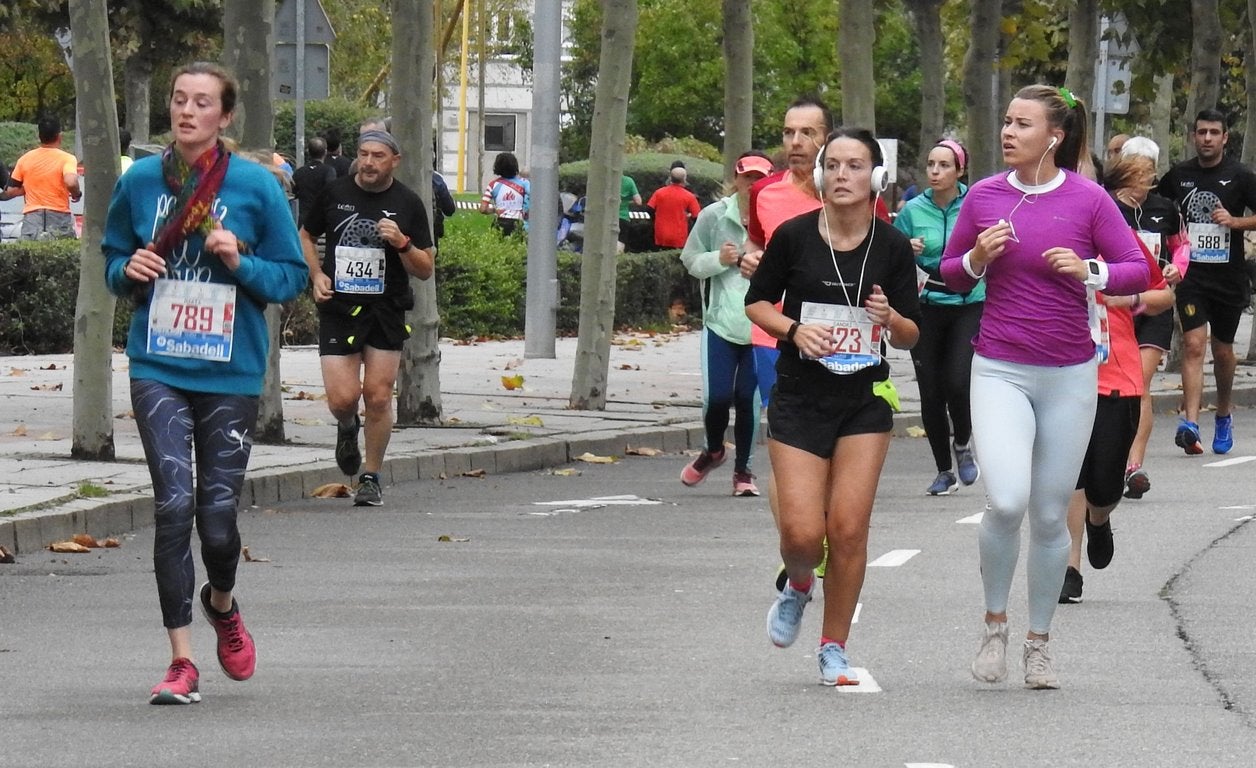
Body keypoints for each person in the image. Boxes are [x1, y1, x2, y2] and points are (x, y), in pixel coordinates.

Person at [101, 62, 308, 705]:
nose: (187, 111)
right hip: (158, 362)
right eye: (179, 99)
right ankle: (181, 661)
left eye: (202, 102)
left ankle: (221, 603)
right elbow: (112, 260)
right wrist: (127, 269)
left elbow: (291, 277)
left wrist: (239, 260)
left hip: (231, 370)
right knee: (171, 506)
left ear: (225, 116)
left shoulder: (253, 184)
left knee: (216, 520)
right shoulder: (140, 181)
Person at [940, 85, 1148, 689]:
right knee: (1007, 501)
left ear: (1053, 137)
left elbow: (1137, 268)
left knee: (1052, 515)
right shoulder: (983, 196)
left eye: (1021, 124)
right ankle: (994, 626)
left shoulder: (1087, 200)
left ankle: (1038, 641)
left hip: (1069, 374)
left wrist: (1092, 272)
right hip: (1000, 367)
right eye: (1005, 120)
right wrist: (977, 256)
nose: (1007, 132)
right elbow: (951, 277)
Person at [746, 128, 921, 686]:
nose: (844, 175)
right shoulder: (795, 237)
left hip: (863, 401)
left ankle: (833, 647)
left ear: (875, 177)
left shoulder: (891, 247)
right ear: (821, 175)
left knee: (848, 529)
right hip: (800, 397)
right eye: (835, 165)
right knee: (802, 536)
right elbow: (756, 304)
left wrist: (889, 318)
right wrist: (795, 330)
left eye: (856, 165)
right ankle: (799, 585)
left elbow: (913, 335)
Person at [1059, 154, 1176, 603]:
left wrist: (1131, 300)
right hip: (1064, 371)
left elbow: (1163, 293)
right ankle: (1070, 566)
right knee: (1072, 473)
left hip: (1117, 373)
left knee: (1104, 482)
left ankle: (1099, 519)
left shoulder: (1117, 237)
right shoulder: (1042, 237)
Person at [300, 129, 434, 507]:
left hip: (386, 308)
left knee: (377, 396)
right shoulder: (335, 192)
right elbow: (306, 235)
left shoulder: (408, 203)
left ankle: (371, 476)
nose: (369, 162)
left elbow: (425, 268)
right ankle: (346, 426)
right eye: (364, 154)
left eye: (378, 155)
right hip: (340, 307)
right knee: (344, 397)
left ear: (394, 160)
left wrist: (402, 242)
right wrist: (316, 275)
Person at [1155, 108, 1256, 456]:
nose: (1208, 138)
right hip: (1192, 275)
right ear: (1194, 136)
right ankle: (1191, 424)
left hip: (1229, 277)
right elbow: (1158, 204)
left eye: (1214, 132)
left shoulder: (1240, 176)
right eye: (1202, 132)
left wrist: (1235, 222)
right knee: (1195, 344)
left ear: (1225, 138)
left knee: (1223, 350)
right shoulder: (1179, 175)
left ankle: (1224, 413)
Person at [678, 151, 773, 497]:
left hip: (763, 325)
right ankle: (714, 449)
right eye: (747, 177)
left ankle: (743, 472)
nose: (753, 184)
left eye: (760, 178)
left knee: (747, 398)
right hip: (721, 322)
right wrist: (719, 259)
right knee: (717, 398)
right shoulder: (714, 217)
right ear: (736, 179)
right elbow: (690, 259)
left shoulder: (778, 216)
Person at [894, 138, 983, 496]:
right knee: (931, 391)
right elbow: (889, 254)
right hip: (926, 304)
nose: (935, 171)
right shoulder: (913, 210)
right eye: (931, 164)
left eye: (944, 165)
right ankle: (943, 471)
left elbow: (991, 244)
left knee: (958, 382)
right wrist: (905, 249)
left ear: (960, 170)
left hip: (969, 301)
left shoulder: (975, 204)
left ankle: (962, 441)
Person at [1108, 137, 1188, 500]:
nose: (1140, 178)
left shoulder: (1164, 209)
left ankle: (1133, 466)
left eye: (1147, 171)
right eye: (1134, 169)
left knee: (1139, 383)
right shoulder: (1106, 207)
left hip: (1153, 304)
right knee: (1117, 387)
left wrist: (1177, 269)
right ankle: (1109, 458)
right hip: (1114, 306)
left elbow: (1181, 245)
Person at [0, 115, 81, 240]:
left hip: (32, 219)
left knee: (30, 256)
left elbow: (10, 191)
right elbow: (70, 182)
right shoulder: (67, 158)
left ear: (39, 136)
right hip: (59, 217)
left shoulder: (25, 159)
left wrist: (29, 187)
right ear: (59, 137)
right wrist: (76, 193)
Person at [646, 165, 701, 249]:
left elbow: (649, 208)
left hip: (661, 234)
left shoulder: (659, 193)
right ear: (684, 179)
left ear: (670, 178)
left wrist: (655, 219)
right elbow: (697, 217)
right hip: (679, 235)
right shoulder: (689, 196)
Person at [479, 151, 529, 236]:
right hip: (517, 223)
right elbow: (533, 201)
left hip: (500, 222)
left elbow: (483, 209)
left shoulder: (493, 185)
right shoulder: (524, 183)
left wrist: (494, 210)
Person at [292, 136, 337, 226]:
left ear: (308, 152)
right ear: (325, 152)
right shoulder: (328, 171)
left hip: (304, 219)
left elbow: (293, 192)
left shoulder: (299, 172)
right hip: (322, 220)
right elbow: (332, 192)